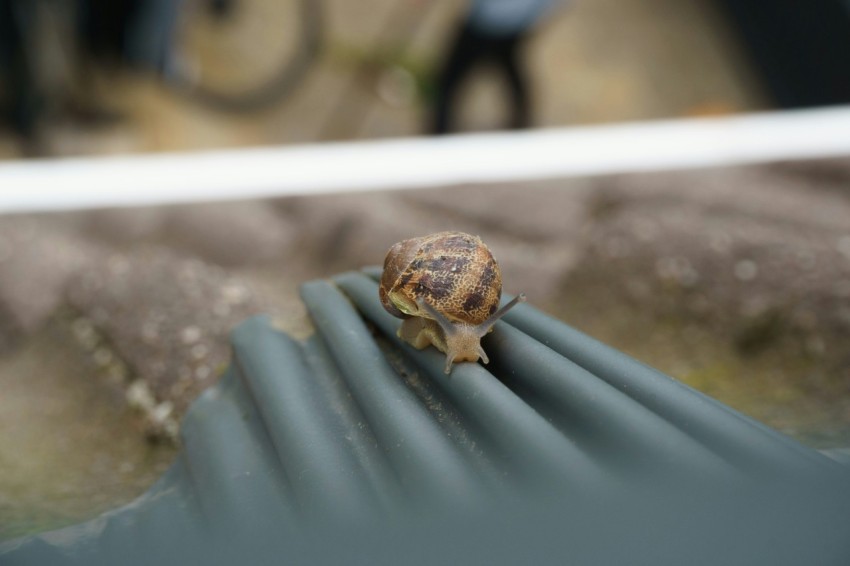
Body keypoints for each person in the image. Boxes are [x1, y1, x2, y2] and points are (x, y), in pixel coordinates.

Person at [430, 0, 565, 134]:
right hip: (511, 26)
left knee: (448, 82)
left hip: (486, 25)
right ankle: (522, 126)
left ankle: (439, 131)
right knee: (510, 75)